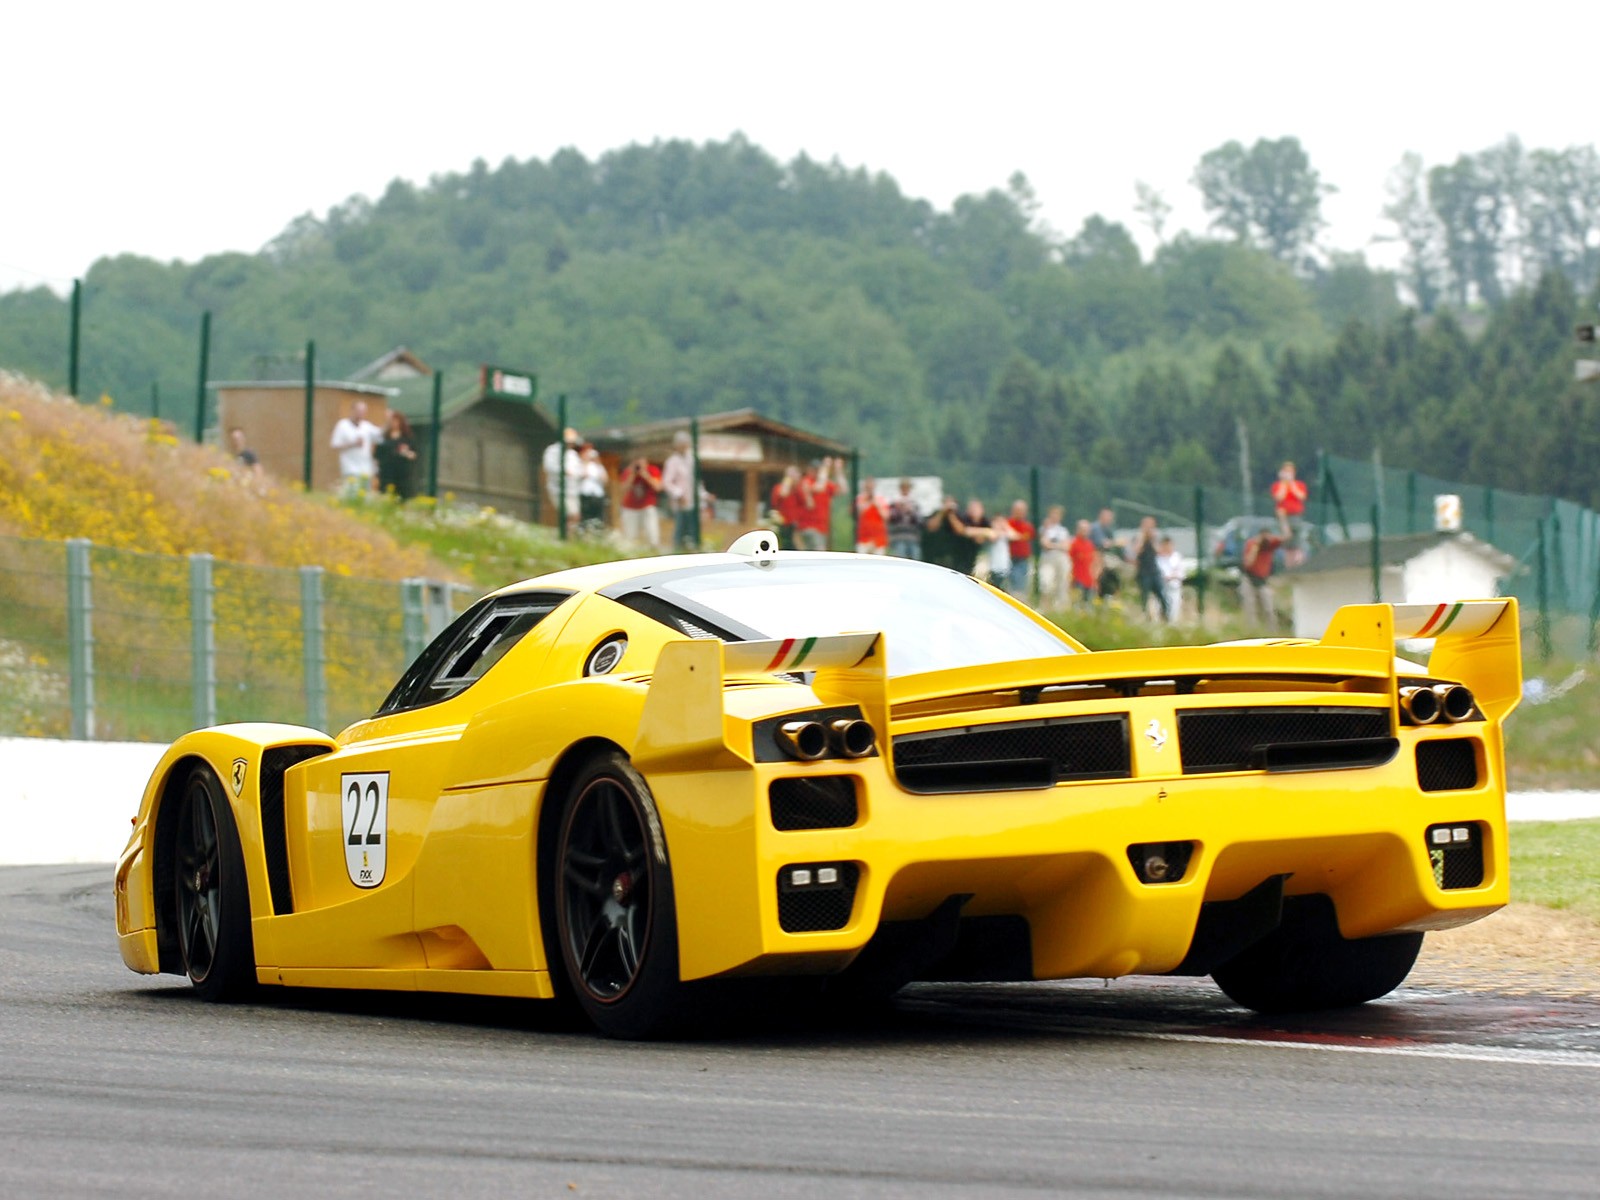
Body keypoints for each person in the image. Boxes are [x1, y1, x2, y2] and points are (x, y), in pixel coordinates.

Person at [330, 400, 382, 493]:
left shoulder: (367, 426)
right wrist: (353, 444)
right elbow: (335, 445)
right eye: (359, 411)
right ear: (352, 410)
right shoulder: (342, 425)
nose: (361, 414)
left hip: (366, 469)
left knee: (365, 494)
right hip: (350, 468)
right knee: (352, 493)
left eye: (363, 412)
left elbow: (380, 435)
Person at [1240, 527, 1284, 628]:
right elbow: (1248, 563)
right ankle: (1252, 630)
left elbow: (1285, 537)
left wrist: (1282, 521)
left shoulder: (1270, 545)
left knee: (1269, 607)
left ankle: (1272, 630)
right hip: (1250, 578)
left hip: (1263, 580)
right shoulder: (1252, 544)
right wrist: (1256, 547)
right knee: (1250, 607)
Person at [542, 427, 583, 533]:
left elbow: (579, 470)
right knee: (570, 514)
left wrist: (579, 475)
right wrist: (564, 471)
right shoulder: (552, 451)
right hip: (558, 489)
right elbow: (549, 467)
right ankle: (564, 535)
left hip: (572, 490)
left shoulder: (573, 454)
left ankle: (568, 536)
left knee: (575, 516)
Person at [793, 457, 839, 551]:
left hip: (822, 527)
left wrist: (838, 470)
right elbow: (819, 488)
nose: (816, 472)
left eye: (818, 469)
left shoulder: (824, 483)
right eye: (815, 469)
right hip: (809, 527)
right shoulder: (805, 481)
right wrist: (825, 468)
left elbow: (840, 490)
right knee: (819, 553)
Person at [618, 455, 663, 549]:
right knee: (631, 538)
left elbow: (658, 487)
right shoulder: (628, 471)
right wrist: (632, 475)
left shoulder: (652, 470)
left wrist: (645, 475)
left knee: (652, 535)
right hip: (630, 507)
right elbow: (623, 489)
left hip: (647, 506)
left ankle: (653, 550)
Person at [661, 430, 697, 550]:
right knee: (680, 531)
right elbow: (667, 482)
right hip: (680, 503)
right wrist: (679, 494)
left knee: (692, 534)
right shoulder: (672, 461)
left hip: (692, 501)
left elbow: (694, 480)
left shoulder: (691, 459)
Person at [373, 410, 419, 500]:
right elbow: (377, 455)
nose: (394, 423)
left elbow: (414, 455)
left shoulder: (407, 438)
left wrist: (406, 452)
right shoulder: (384, 438)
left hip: (402, 475)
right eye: (392, 421)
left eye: (396, 421)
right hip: (386, 474)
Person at [1133, 516, 1167, 621]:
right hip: (1143, 572)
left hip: (1154, 570)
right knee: (1144, 595)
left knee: (1161, 595)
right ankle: (1145, 616)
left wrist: (1152, 539)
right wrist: (1142, 537)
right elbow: (1136, 550)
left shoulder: (1155, 538)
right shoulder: (1138, 538)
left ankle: (1164, 616)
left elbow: (1159, 551)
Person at [922, 496, 969, 571]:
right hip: (934, 553)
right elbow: (931, 527)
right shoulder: (936, 514)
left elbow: (961, 531)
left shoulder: (959, 515)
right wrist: (942, 512)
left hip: (953, 555)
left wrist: (951, 515)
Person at [1037, 505, 1069, 609]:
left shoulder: (1063, 531)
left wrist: (1053, 545)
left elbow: (1066, 546)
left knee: (1061, 582)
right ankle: (1044, 605)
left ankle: (1059, 606)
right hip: (1048, 558)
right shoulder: (1045, 529)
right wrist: (1058, 545)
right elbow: (1045, 544)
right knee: (1046, 581)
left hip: (1061, 558)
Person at [1088, 506, 1124, 598]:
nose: (1110, 519)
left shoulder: (1107, 529)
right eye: (1108, 517)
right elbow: (1102, 544)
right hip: (1095, 555)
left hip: (1101, 556)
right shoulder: (1096, 528)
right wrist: (1117, 542)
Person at [885, 478, 923, 560]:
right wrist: (899, 509)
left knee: (915, 559)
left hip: (912, 537)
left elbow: (919, 520)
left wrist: (910, 511)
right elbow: (890, 518)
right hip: (898, 537)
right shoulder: (894, 503)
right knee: (900, 558)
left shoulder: (914, 503)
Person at [1005, 500, 1035, 598]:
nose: (1020, 513)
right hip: (1010, 558)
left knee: (1021, 583)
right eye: (1018, 510)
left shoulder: (1027, 526)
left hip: (1023, 559)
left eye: (1022, 510)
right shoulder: (1008, 524)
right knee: (1012, 582)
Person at [1270, 460, 1308, 538]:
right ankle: (1286, 533)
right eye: (1286, 471)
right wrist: (1284, 483)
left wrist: (1291, 483)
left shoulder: (1299, 484)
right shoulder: (1277, 485)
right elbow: (1279, 498)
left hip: (1296, 515)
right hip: (1282, 516)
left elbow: (1301, 497)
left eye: (1290, 471)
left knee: (1295, 537)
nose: (1288, 473)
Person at [577, 443, 609, 534]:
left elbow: (605, 479)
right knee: (586, 515)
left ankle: (597, 532)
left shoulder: (599, 467)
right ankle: (585, 532)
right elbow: (583, 475)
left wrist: (598, 463)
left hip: (597, 494)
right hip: (586, 493)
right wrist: (585, 462)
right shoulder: (580, 464)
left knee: (598, 516)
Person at [1067, 519, 1099, 604]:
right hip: (1077, 579)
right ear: (1078, 530)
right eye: (1083, 530)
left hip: (1089, 580)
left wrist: (1095, 579)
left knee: (1088, 603)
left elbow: (1093, 563)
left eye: (1087, 530)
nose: (1085, 532)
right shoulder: (1074, 544)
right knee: (1077, 603)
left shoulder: (1090, 545)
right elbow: (1068, 561)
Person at [1157, 536, 1186, 625]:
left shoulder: (1177, 557)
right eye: (1165, 546)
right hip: (1161, 589)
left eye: (1169, 545)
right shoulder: (1158, 559)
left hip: (1174, 588)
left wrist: (1173, 576)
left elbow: (1182, 574)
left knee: (1173, 614)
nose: (1167, 548)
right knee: (1159, 613)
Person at [855, 477, 888, 554]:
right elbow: (860, 511)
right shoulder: (860, 498)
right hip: (864, 538)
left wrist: (876, 503)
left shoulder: (880, 499)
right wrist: (869, 501)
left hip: (878, 538)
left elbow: (885, 516)